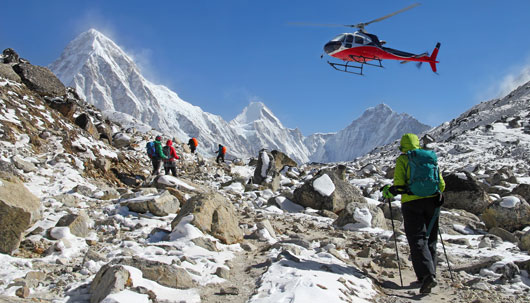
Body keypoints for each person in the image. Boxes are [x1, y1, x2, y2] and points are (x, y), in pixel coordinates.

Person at [382, 133, 445, 294]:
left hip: (411, 204)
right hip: (433, 202)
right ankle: (429, 274)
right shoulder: (430, 157)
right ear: (418, 144)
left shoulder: (403, 159)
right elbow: (442, 184)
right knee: (430, 238)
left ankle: (426, 276)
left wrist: (389, 192)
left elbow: (399, 185)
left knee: (417, 239)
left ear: (402, 146)